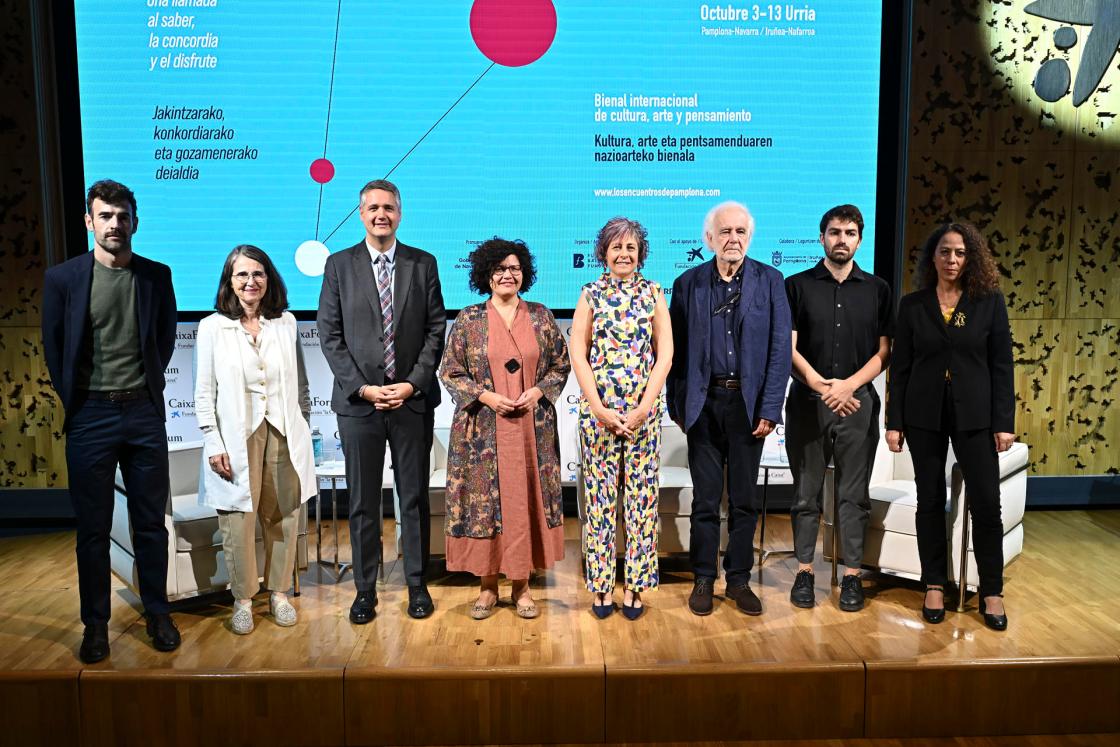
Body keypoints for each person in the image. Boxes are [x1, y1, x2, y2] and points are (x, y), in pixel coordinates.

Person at [41, 179, 180, 662]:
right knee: (94, 530)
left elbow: (162, 343)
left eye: (122, 216)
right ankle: (95, 626)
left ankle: (158, 612)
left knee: (150, 525)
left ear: (134, 221)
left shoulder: (156, 276)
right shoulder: (63, 279)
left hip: (143, 411)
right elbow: (55, 350)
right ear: (89, 221)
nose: (115, 224)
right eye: (105, 216)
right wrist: (80, 403)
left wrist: (142, 391)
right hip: (91, 416)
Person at [317, 179, 447, 623]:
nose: (381, 215)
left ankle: (416, 584)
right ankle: (365, 590)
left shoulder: (422, 263)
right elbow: (329, 335)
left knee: (412, 498)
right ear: (360, 213)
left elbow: (435, 331)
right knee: (363, 501)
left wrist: (411, 384)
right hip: (359, 405)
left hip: (412, 402)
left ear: (400, 212)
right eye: (373, 207)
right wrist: (364, 388)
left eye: (388, 207)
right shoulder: (338, 266)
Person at [886, 221, 1015, 631]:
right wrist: (894, 422)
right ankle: (934, 584)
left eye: (960, 253)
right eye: (945, 252)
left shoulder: (988, 302)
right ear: (933, 257)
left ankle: (991, 590)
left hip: (976, 418)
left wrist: (1003, 422)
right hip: (923, 417)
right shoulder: (913, 305)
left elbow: (1001, 366)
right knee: (928, 502)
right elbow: (901, 369)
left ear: (971, 257)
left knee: (987, 504)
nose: (952, 260)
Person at [668, 201, 792, 617]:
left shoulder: (771, 281)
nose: (733, 239)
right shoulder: (687, 284)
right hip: (702, 405)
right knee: (705, 500)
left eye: (740, 231)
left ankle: (738, 580)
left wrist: (770, 407)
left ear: (750, 237)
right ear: (709, 239)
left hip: (747, 405)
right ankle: (703, 577)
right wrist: (678, 404)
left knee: (743, 500)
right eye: (725, 232)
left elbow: (779, 351)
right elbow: (674, 351)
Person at [439, 238, 570, 620]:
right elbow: (450, 370)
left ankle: (523, 587)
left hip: (533, 430)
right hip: (481, 431)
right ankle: (487, 588)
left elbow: (560, 367)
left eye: (514, 268)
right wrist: (485, 395)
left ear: (524, 273)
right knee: (487, 507)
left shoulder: (542, 316)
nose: (507, 275)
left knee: (523, 503)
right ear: (486, 275)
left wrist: (539, 391)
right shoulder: (469, 319)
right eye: (499, 269)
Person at [194, 245, 317, 634]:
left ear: (269, 279)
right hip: (235, 438)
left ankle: (278, 593)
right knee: (238, 523)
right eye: (242, 275)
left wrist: (302, 426)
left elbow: (301, 385)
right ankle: (244, 600)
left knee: (283, 516)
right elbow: (202, 393)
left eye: (258, 273)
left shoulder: (286, 323)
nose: (251, 282)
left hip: (282, 432)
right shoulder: (212, 327)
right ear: (229, 282)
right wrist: (213, 442)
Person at [785, 205, 893, 612]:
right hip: (808, 403)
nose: (841, 239)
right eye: (834, 232)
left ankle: (851, 577)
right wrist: (819, 385)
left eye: (849, 233)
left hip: (858, 402)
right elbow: (788, 348)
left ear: (860, 239)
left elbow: (885, 351)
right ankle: (804, 572)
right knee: (805, 494)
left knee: (853, 495)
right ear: (822, 237)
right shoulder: (796, 286)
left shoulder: (878, 289)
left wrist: (848, 385)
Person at [571, 217, 673, 621]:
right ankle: (600, 586)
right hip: (599, 416)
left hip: (642, 416)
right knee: (598, 504)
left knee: (641, 506)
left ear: (640, 253)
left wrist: (644, 407)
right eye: (616, 247)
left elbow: (664, 354)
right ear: (604, 252)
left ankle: (634, 587)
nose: (624, 254)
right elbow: (578, 352)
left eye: (631, 247)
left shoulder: (653, 293)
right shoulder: (590, 293)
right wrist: (598, 408)